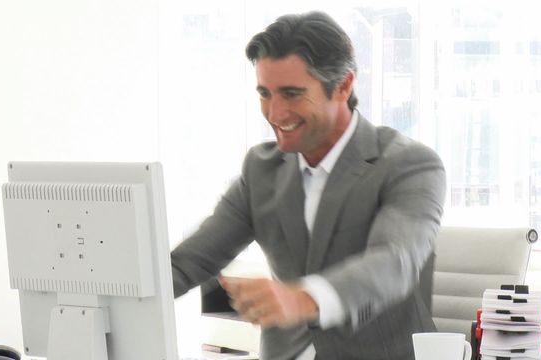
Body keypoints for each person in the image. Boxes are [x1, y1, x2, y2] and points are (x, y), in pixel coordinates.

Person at [170, 10, 446, 360]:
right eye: (265, 93)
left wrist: (302, 299)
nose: (275, 113)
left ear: (344, 85)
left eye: (291, 93)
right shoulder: (261, 170)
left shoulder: (408, 164)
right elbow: (189, 263)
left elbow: (395, 262)